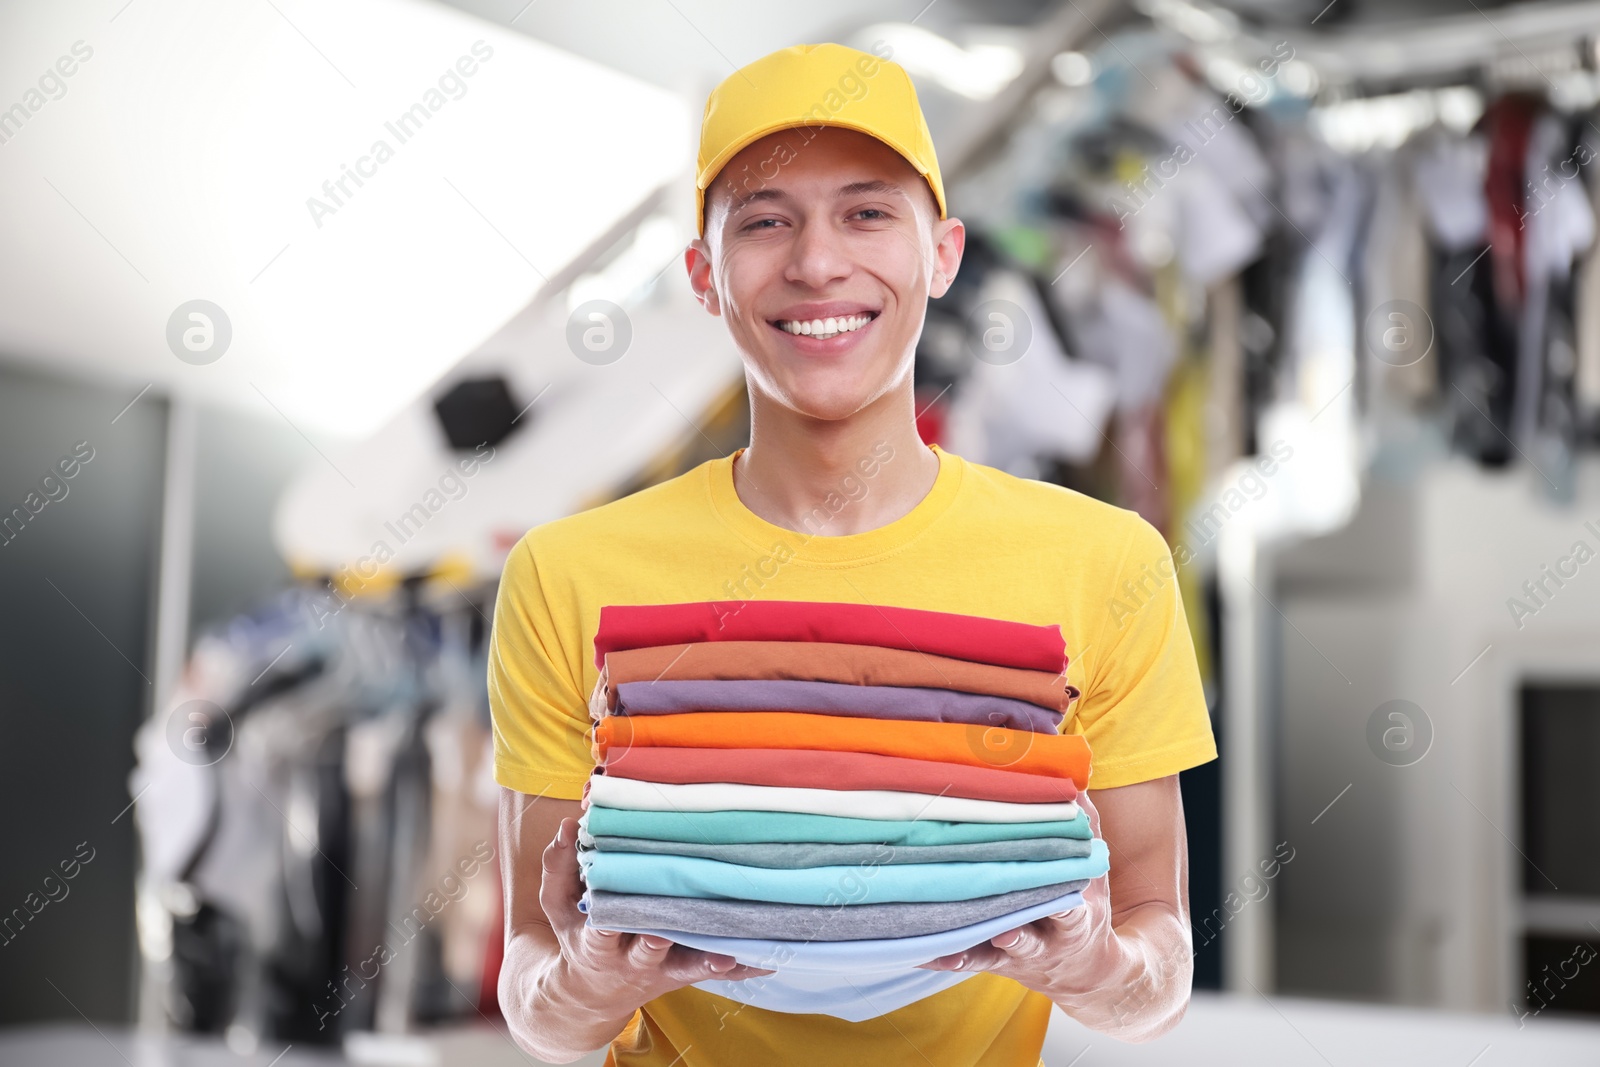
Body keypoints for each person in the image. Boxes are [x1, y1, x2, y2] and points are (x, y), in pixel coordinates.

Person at [490, 42, 1217, 1067]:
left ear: (945, 254)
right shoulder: (566, 573)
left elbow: (1160, 959)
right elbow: (535, 987)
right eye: (764, 220)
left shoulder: (1106, 561)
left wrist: (1098, 969)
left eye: (868, 213)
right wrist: (580, 984)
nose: (816, 262)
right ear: (702, 275)